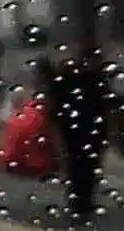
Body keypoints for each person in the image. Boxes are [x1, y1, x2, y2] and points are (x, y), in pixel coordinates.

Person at [47, 45, 111, 221]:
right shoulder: (84, 78)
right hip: (80, 128)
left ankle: (81, 199)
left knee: (83, 165)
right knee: (81, 165)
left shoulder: (78, 77)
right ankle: (80, 200)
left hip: (81, 128)